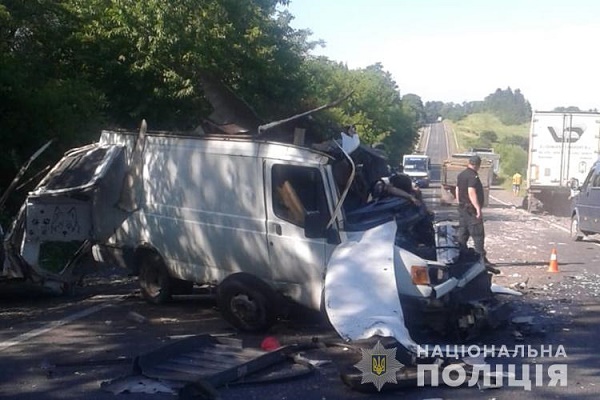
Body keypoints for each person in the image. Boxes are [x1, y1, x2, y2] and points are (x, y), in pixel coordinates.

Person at [455, 155, 495, 268]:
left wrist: (459, 202)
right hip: (470, 209)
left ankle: (461, 257)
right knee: (478, 234)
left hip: (462, 208)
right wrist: (477, 208)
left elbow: (457, 189)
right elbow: (471, 191)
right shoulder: (473, 176)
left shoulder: (461, 174)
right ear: (478, 165)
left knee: (463, 233)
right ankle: (481, 259)